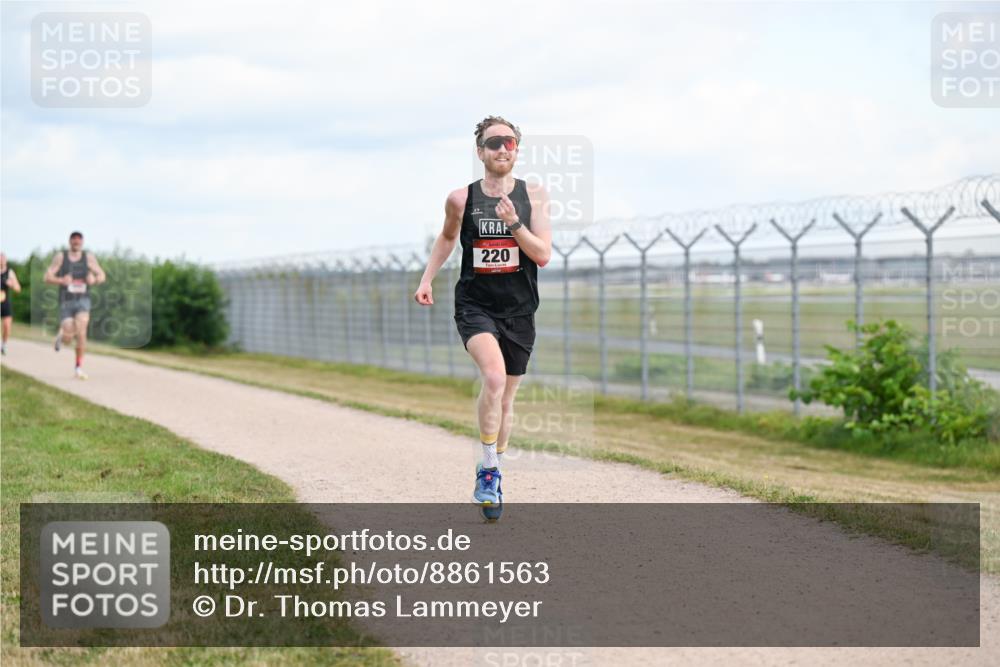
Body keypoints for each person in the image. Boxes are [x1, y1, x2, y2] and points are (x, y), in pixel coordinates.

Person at [415, 116, 552, 513]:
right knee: (492, 377)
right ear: (480, 152)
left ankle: (495, 468)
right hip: (475, 305)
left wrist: (514, 224)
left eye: (510, 142)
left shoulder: (535, 196)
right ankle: (488, 471)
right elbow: (445, 239)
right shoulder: (461, 199)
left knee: (506, 399)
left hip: (520, 309)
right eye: (494, 143)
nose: (503, 149)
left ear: (517, 149)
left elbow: (542, 255)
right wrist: (427, 279)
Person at [44, 231, 106, 379]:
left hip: (83, 300)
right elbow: (47, 277)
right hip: (66, 301)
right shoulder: (61, 257)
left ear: (82, 242)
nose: (76, 242)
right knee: (68, 338)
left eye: (79, 240)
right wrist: (60, 280)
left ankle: (78, 367)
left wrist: (94, 279)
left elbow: (102, 275)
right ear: (70, 241)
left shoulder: (88, 257)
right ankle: (62, 335)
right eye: (74, 239)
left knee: (82, 331)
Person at [1, 253, 23, 355]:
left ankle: (4, 345)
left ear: (6, 261)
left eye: (3, 259)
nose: (1, 261)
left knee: (7, 325)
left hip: (5, 302)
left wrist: (12, 285)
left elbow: (18, 288)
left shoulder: (10, 273)